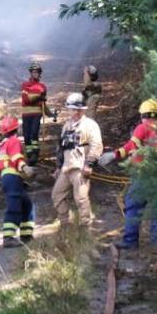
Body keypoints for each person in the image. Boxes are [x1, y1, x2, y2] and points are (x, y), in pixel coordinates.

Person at [114, 98, 157, 249]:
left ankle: (130, 241)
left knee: (133, 205)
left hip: (143, 174)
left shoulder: (142, 127)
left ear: (143, 115)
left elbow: (131, 145)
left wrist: (115, 154)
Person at [52, 92, 103, 226]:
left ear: (83, 110)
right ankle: (65, 223)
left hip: (80, 168)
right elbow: (61, 148)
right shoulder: (66, 126)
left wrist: (89, 164)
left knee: (81, 199)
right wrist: (58, 167)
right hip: (66, 168)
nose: (76, 112)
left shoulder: (90, 125)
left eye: (79, 109)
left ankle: (86, 226)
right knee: (57, 195)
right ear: (69, 110)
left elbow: (96, 145)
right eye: (73, 109)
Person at [0, 116, 36, 248]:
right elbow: (16, 158)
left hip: (9, 178)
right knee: (14, 207)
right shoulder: (14, 141)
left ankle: (26, 235)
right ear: (17, 129)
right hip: (12, 177)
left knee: (26, 205)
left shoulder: (4, 143)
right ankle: (8, 238)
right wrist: (25, 168)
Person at [19, 61, 49, 165]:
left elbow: (43, 104)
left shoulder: (43, 87)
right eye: (34, 72)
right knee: (26, 136)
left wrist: (51, 114)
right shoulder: (25, 85)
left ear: (39, 73)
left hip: (37, 113)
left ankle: (35, 154)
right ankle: (29, 154)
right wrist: (38, 97)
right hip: (26, 114)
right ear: (31, 73)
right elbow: (26, 100)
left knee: (34, 134)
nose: (35, 73)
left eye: (37, 72)